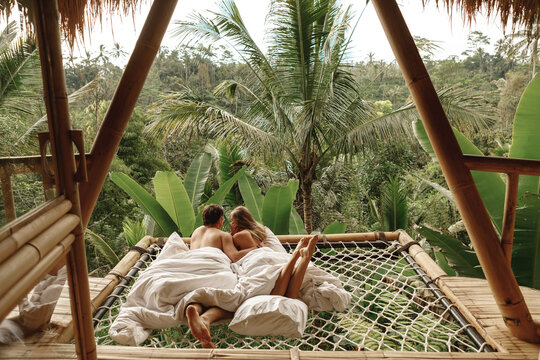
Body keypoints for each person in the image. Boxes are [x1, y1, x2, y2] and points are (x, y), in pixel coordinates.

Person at [185, 204, 255, 348]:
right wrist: (255, 248)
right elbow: (235, 257)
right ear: (221, 220)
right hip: (211, 269)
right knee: (235, 300)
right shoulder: (223, 235)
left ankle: (195, 311)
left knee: (199, 297)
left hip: (190, 270)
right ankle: (205, 319)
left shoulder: (196, 232)